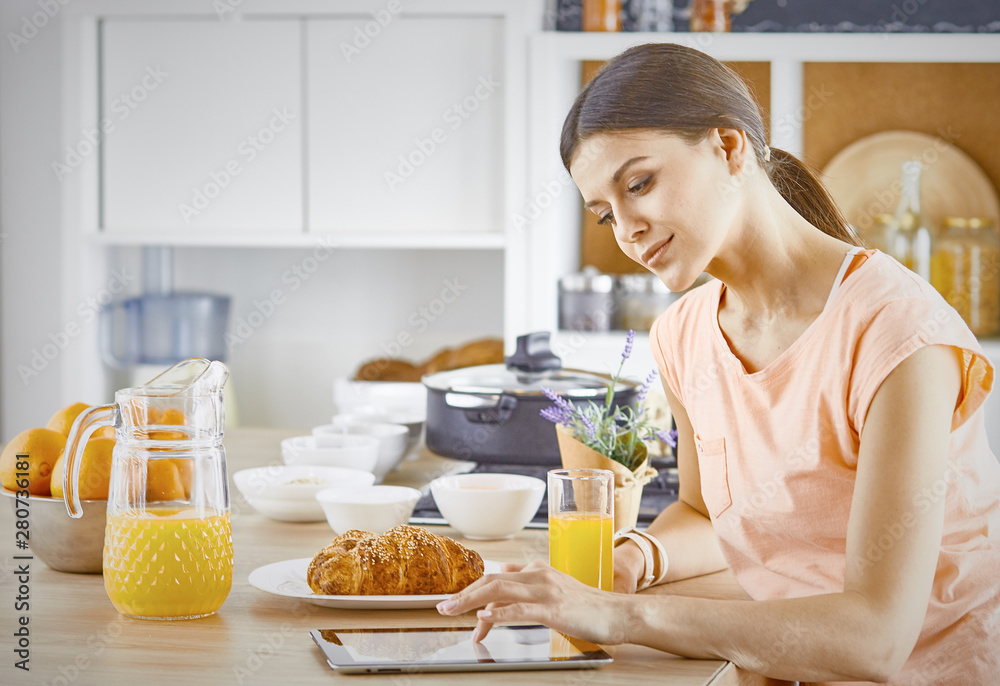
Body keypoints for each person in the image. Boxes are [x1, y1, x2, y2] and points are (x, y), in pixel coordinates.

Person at [437, 42, 1000, 684]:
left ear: (728, 148)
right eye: (604, 213)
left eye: (639, 184)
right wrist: (627, 564)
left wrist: (618, 615)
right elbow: (707, 517)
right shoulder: (683, 333)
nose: (626, 229)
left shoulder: (895, 331)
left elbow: (875, 640)